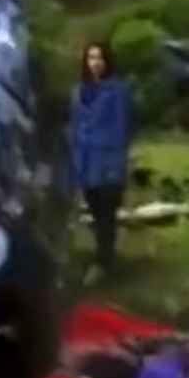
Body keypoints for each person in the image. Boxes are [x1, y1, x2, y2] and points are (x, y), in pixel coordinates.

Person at [70, 41, 132, 282]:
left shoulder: (118, 91)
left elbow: (121, 128)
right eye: (91, 58)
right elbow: (75, 125)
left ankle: (103, 262)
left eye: (100, 58)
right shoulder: (79, 91)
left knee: (107, 214)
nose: (95, 63)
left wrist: (116, 164)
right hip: (86, 163)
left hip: (108, 162)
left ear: (107, 61)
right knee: (96, 214)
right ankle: (105, 259)